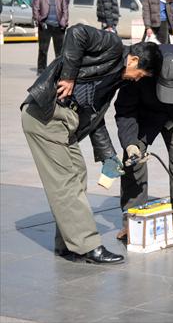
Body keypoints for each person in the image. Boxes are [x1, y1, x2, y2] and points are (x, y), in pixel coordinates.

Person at [21, 24, 162, 264]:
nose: (139, 80)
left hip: (65, 123)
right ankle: (89, 245)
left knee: (77, 175)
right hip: (46, 115)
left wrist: (108, 155)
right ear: (134, 60)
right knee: (66, 181)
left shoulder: (116, 82)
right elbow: (77, 32)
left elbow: (95, 118)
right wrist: (68, 75)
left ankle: (67, 243)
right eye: (142, 74)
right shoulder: (113, 48)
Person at [115, 44, 173, 238]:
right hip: (145, 115)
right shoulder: (141, 70)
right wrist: (130, 143)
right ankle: (133, 221)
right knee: (133, 162)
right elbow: (125, 110)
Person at [32, 0, 68, 76]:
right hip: (45, 25)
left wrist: (64, 22)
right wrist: (40, 21)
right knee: (43, 49)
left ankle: (59, 70)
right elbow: (35, 8)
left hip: (58, 26)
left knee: (60, 51)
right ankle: (41, 70)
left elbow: (65, 10)